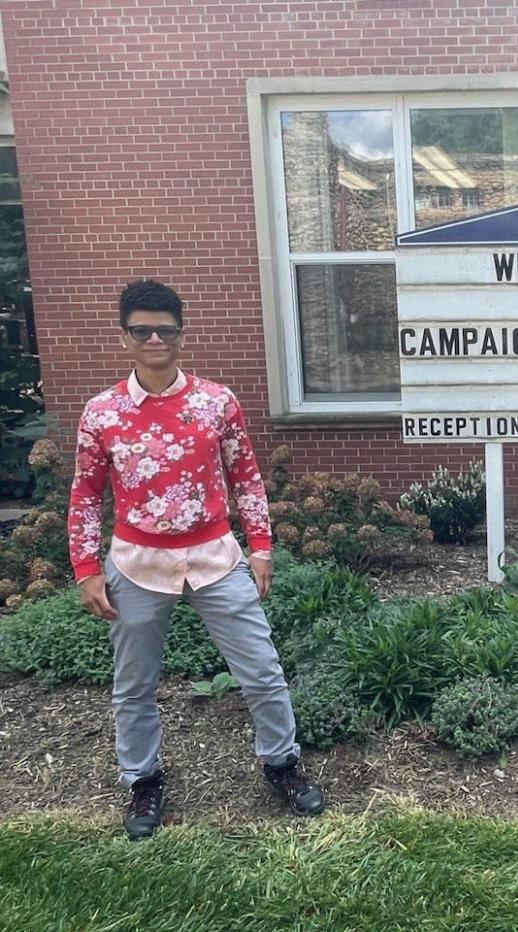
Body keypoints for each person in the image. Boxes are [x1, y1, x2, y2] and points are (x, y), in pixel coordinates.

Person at [68, 279, 325, 839]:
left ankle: (281, 764)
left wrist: (261, 546)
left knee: (260, 669)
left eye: (165, 328)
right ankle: (143, 781)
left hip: (215, 556)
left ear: (181, 333)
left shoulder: (217, 402)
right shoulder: (102, 412)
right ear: (125, 337)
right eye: (142, 330)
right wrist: (86, 569)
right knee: (133, 683)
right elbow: (86, 493)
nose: (154, 338)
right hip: (136, 562)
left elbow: (246, 477)